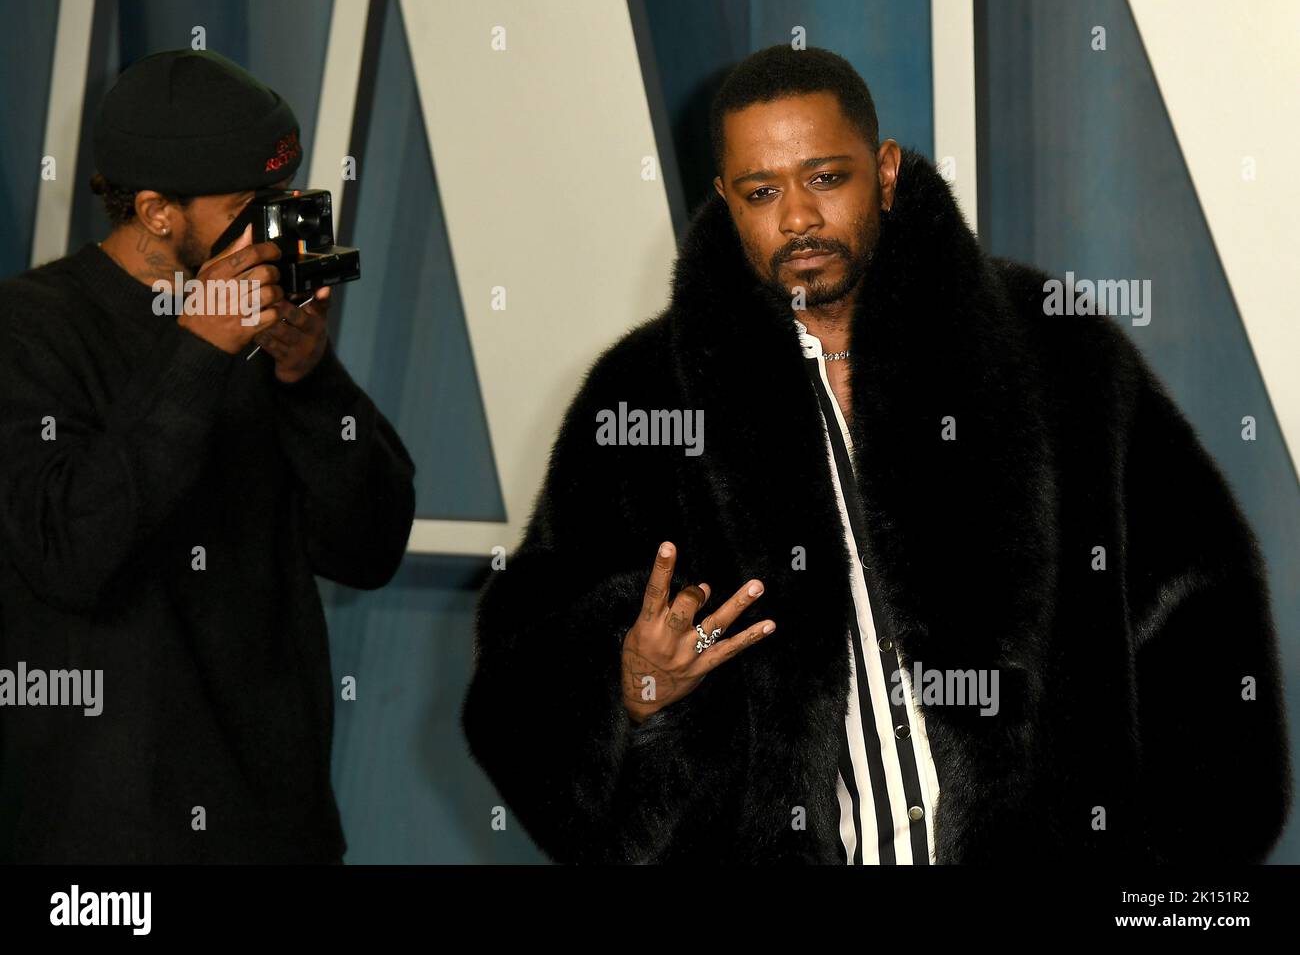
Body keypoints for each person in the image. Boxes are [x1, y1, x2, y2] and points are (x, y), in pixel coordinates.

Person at [461, 45, 1292, 864]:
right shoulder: (643, 397)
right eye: (761, 192)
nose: (797, 218)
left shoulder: (1056, 353)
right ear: (724, 198)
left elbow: (1205, 621)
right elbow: (517, 685)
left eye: (826, 177)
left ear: (885, 171)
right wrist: (632, 687)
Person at [0, 49, 416, 863]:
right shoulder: (27, 330)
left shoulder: (269, 327)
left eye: (285, 196)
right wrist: (198, 345)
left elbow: (369, 547)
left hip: (278, 829)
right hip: (104, 843)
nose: (276, 224)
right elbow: (75, 556)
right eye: (251, 204)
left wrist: (309, 376)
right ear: (157, 210)